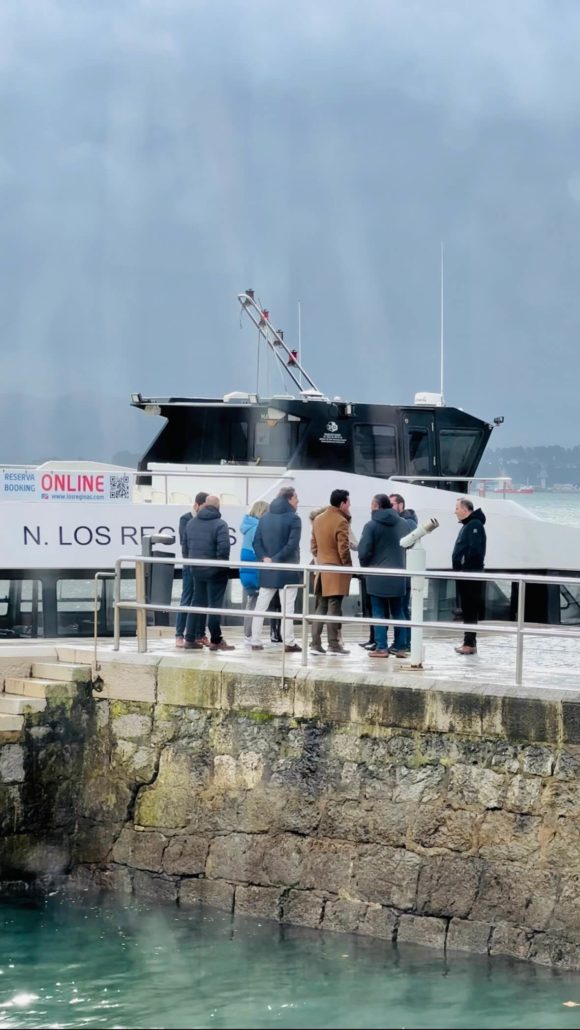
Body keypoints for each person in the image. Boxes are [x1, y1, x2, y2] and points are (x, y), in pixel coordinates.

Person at [250, 486, 302, 653]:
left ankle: (255, 640)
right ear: (289, 499)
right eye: (296, 498)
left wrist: (265, 558)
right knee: (288, 607)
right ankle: (289, 641)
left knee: (261, 606)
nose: (298, 501)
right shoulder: (294, 519)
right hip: (287, 569)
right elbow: (292, 544)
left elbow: (256, 542)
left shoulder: (265, 517)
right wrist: (277, 559)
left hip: (268, 568)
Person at [358, 494, 408, 658]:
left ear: (376, 506)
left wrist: (365, 567)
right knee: (398, 611)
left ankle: (381, 647)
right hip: (399, 574)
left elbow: (364, 551)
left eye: (372, 504)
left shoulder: (371, 526)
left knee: (379, 612)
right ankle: (401, 647)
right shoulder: (404, 524)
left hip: (377, 575)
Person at [183, 494, 235, 651]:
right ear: (218, 507)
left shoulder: (191, 523)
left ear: (205, 505)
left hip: (196, 570)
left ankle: (190, 639)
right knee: (214, 606)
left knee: (197, 603)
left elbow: (185, 547)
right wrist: (220, 567)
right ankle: (216, 640)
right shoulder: (220, 524)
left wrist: (191, 563)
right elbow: (224, 548)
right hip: (215, 572)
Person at [310, 489, 352, 655]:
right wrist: (348, 566)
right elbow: (343, 548)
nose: (349, 505)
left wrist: (321, 558)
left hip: (321, 569)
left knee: (321, 606)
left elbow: (313, 547)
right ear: (342, 503)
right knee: (334, 608)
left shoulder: (318, 519)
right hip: (336, 570)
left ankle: (315, 644)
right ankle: (333, 645)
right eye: (348, 502)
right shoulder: (341, 521)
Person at [452, 498, 486, 655]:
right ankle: (468, 642)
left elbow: (474, 551)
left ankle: (470, 643)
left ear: (465, 509)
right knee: (468, 609)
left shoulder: (474, 526)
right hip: (466, 574)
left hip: (471, 575)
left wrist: (464, 568)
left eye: (457, 508)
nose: (455, 511)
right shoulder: (469, 525)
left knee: (470, 609)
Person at [175, 491, 208, 648]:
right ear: (197, 505)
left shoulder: (207, 520)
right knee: (187, 599)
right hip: (190, 566)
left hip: (203, 566)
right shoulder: (186, 519)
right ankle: (179, 634)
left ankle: (200, 634)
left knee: (202, 600)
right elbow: (185, 542)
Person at [389, 493, 418, 654]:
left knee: (401, 608)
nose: (390, 506)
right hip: (403, 571)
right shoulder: (408, 522)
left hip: (404, 572)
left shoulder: (407, 523)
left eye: (392, 504)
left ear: (401, 505)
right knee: (402, 608)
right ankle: (404, 642)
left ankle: (403, 643)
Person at [239, 500, 269, 647]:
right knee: (255, 602)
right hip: (255, 568)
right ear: (262, 512)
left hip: (246, 568)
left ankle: (247, 634)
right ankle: (250, 635)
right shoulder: (258, 526)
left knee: (251, 600)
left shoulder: (247, 525)